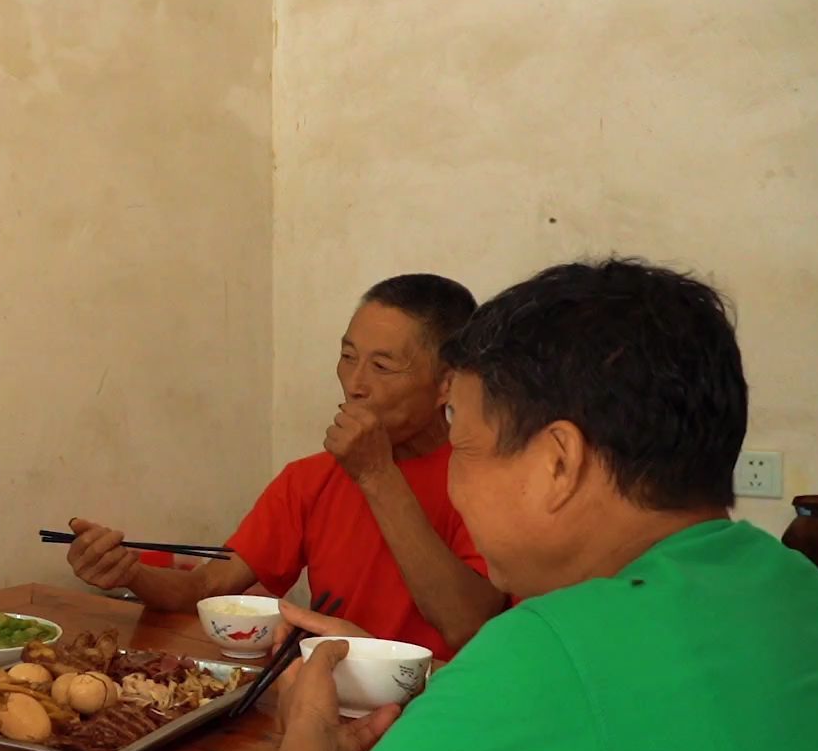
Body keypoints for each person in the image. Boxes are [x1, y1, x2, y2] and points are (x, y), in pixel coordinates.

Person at [247, 259, 818, 751]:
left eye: (462, 439)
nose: (453, 478)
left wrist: (306, 726)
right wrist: (431, 682)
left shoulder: (556, 646)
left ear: (559, 463)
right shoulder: (793, 585)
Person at [67, 274, 504, 660]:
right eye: (348, 356)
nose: (355, 385)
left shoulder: (492, 480)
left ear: (447, 383)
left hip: (438, 713)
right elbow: (207, 589)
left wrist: (376, 475)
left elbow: (467, 626)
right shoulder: (311, 479)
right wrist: (130, 572)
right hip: (326, 700)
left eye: (382, 366)